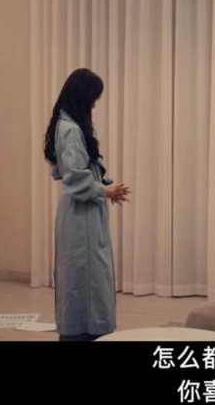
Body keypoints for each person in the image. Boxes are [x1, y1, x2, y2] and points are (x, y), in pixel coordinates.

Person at [43, 68, 131, 341]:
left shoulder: (67, 124)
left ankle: (87, 331)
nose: (94, 105)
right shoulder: (69, 129)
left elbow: (76, 172)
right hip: (80, 216)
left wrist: (106, 187)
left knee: (87, 276)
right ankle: (83, 334)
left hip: (82, 212)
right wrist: (105, 190)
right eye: (93, 98)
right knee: (84, 277)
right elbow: (74, 178)